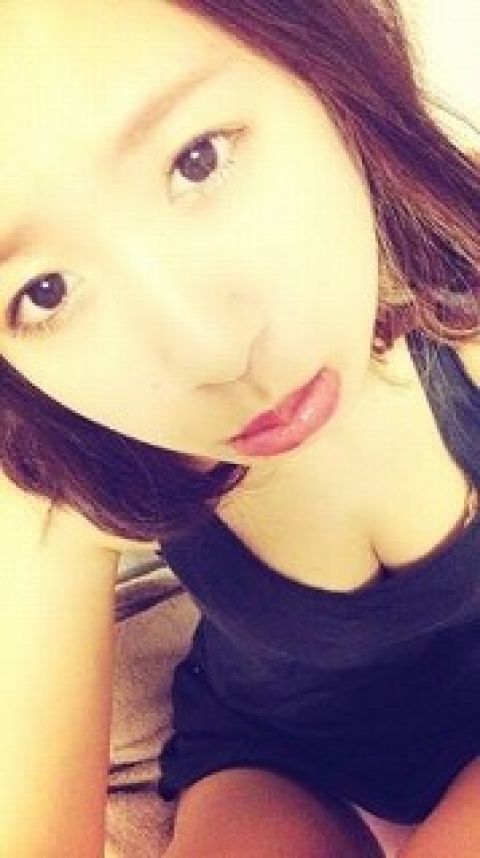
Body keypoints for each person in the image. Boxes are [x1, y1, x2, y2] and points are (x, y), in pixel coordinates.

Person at [0, 0, 478, 855]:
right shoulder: (54, 457)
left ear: (319, 49)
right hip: (275, 750)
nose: (211, 353)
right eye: (45, 293)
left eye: (198, 159)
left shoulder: (463, 244)